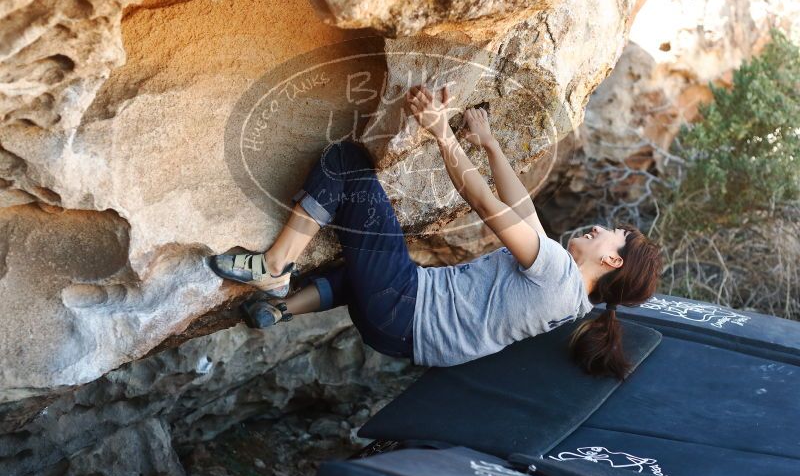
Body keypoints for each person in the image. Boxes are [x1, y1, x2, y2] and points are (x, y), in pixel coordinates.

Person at [209, 83, 662, 380]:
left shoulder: (559, 273)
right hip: (401, 335)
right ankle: (281, 310)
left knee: (347, 163)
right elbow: (520, 207)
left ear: (612, 261)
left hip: (405, 309)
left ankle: (273, 266)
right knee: (365, 267)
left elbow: (487, 204)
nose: (601, 227)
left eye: (613, 232)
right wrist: (487, 142)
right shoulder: (569, 296)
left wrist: (441, 132)